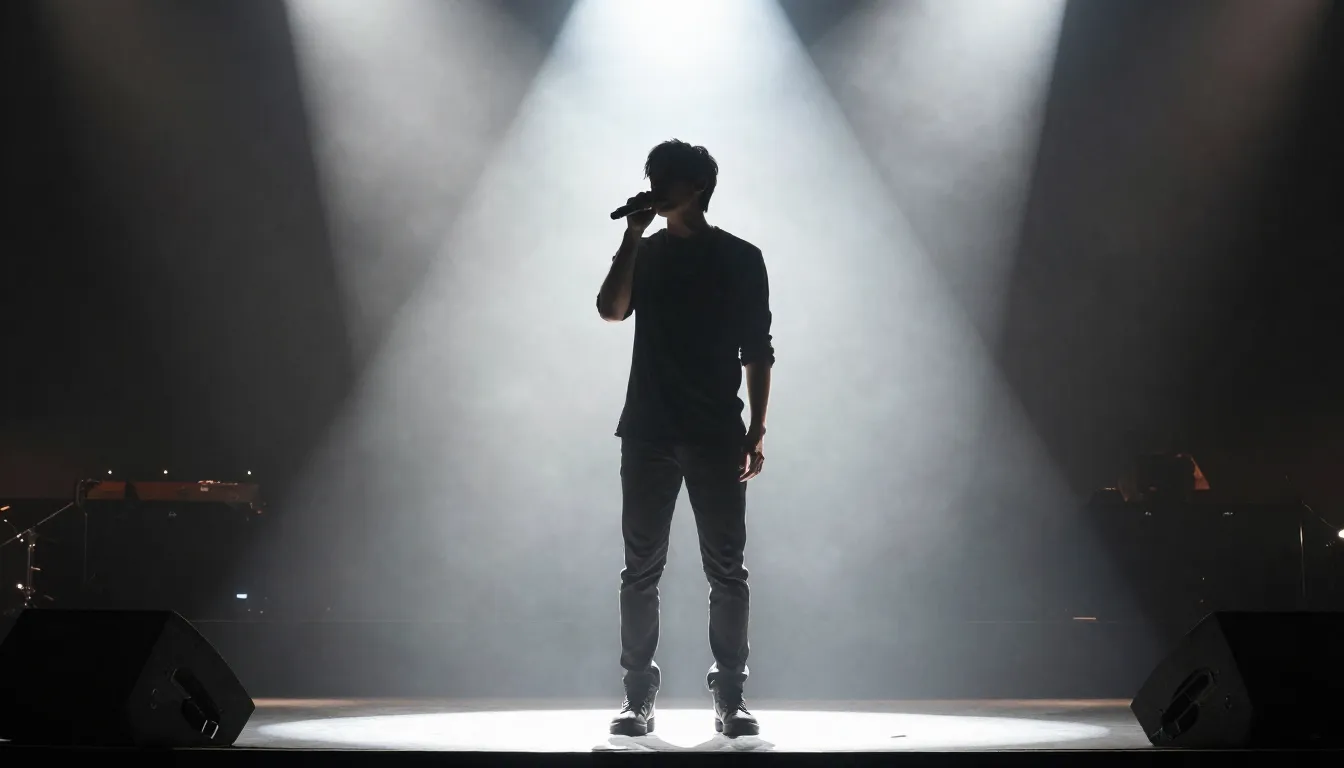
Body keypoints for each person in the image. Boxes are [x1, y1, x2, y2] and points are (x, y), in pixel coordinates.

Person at [595, 140, 774, 739]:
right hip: (648, 428)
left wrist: (756, 430)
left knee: (726, 569)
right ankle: (637, 697)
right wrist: (631, 237)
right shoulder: (645, 253)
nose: (653, 186)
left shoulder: (739, 258)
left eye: (664, 177)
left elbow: (758, 350)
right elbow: (610, 310)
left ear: (696, 185)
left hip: (715, 430)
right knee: (640, 569)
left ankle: (731, 696)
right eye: (651, 176)